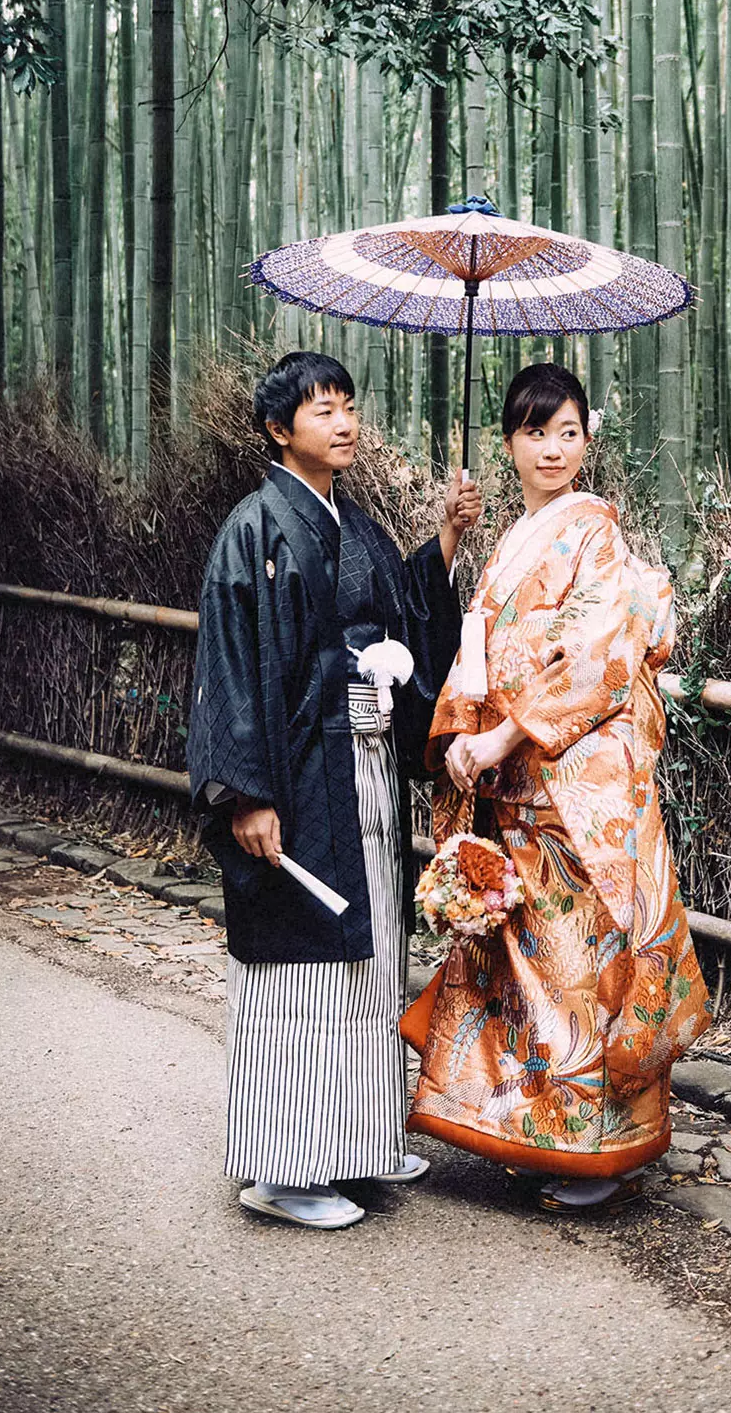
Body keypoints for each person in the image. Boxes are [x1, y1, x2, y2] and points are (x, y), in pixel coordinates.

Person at [405, 362, 710, 1210]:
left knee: (586, 972)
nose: (552, 448)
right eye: (535, 432)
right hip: (517, 787)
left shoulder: (595, 536)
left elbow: (595, 655)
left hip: (577, 790)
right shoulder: (511, 540)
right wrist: (466, 739)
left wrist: (503, 730)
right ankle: (547, 1136)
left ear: (587, 439)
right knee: (534, 973)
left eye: (567, 431)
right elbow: (477, 652)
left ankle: (601, 1149)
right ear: (508, 443)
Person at [187, 350, 480, 1231]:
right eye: (322, 410)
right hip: (295, 774)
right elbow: (232, 666)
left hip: (365, 764)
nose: (344, 422)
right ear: (280, 430)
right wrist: (244, 792)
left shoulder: (355, 524)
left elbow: (406, 610)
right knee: (305, 963)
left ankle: (356, 1139)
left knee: (372, 950)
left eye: (349, 405)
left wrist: (446, 545)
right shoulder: (255, 528)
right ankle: (283, 1167)